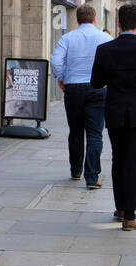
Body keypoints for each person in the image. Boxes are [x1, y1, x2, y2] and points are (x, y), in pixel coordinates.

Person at [50, 4, 113, 190]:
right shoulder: (105, 37)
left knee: (76, 131)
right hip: (97, 88)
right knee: (95, 134)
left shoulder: (68, 37)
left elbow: (55, 60)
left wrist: (61, 77)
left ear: (77, 20)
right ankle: (92, 177)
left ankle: (76, 170)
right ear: (95, 20)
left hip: (74, 88)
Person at [91, 4, 136, 231]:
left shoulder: (105, 49)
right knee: (133, 161)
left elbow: (96, 83)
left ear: (119, 23)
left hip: (116, 111)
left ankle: (120, 208)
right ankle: (131, 216)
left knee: (119, 159)